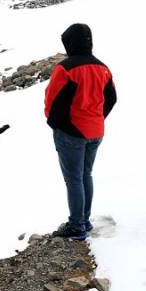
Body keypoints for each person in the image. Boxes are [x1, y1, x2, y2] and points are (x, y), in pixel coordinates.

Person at [43, 23, 116, 240]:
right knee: (85, 175)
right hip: (96, 130)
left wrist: (57, 124)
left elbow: (53, 101)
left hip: (72, 132)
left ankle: (77, 226)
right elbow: (111, 98)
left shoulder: (65, 69)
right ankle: (84, 221)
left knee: (73, 179)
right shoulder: (103, 68)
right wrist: (97, 117)